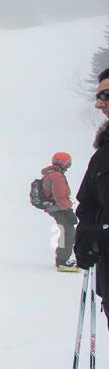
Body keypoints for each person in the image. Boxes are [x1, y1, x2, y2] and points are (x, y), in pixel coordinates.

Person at [73, 70, 109, 311]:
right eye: (98, 96)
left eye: (106, 95)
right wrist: (85, 236)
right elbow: (88, 206)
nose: (99, 104)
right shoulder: (102, 157)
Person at [39, 154, 78, 271]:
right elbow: (60, 196)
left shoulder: (53, 174)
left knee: (66, 231)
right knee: (69, 232)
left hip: (57, 208)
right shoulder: (56, 176)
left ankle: (62, 259)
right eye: (67, 162)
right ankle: (62, 261)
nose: (68, 165)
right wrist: (68, 208)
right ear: (61, 162)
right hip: (60, 209)